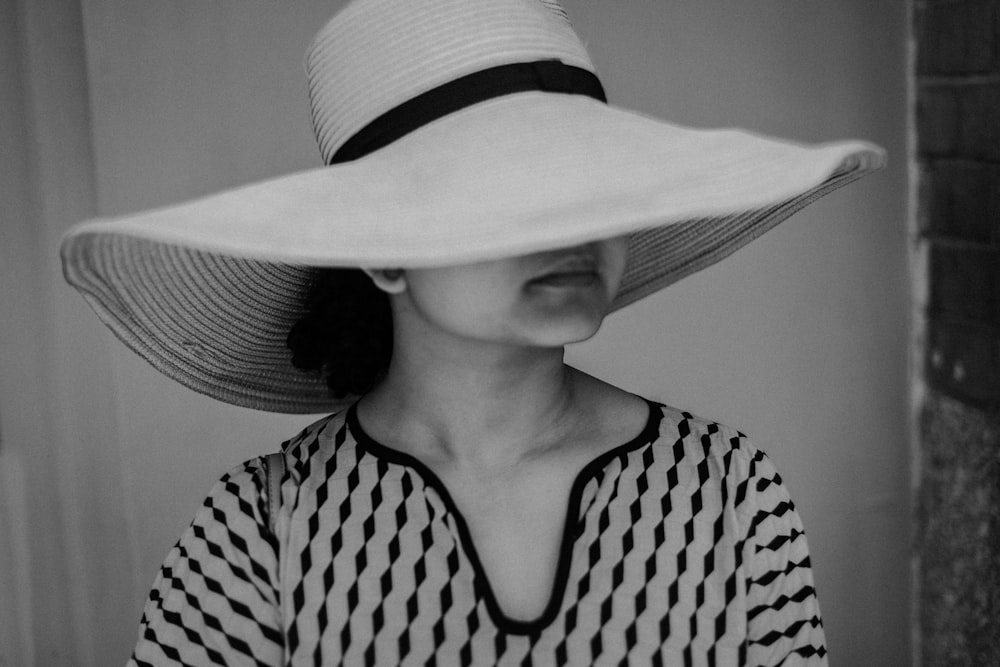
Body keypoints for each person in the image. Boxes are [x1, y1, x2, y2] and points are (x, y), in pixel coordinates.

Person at [61, 0, 884, 664]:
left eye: (597, 183)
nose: (574, 228)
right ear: (382, 253)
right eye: (511, 192)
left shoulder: (731, 490)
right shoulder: (259, 535)